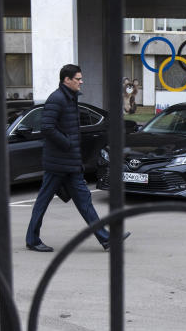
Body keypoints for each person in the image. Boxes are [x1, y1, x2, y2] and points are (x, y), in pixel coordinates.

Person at [25, 64, 129, 252]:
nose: (81, 82)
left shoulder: (69, 98)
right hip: (58, 163)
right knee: (43, 201)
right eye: (78, 79)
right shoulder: (57, 99)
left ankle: (106, 239)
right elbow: (47, 127)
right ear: (67, 80)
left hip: (70, 162)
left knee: (84, 200)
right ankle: (32, 239)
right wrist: (67, 143)